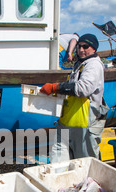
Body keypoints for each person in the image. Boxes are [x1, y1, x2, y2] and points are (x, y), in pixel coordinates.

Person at [41, 33, 108, 162]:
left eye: (86, 47)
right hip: (67, 121)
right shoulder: (79, 64)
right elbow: (72, 89)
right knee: (58, 158)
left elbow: (83, 89)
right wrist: (57, 93)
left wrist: (56, 87)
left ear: (94, 49)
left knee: (85, 163)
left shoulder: (93, 65)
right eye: (79, 46)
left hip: (84, 124)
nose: (81, 50)